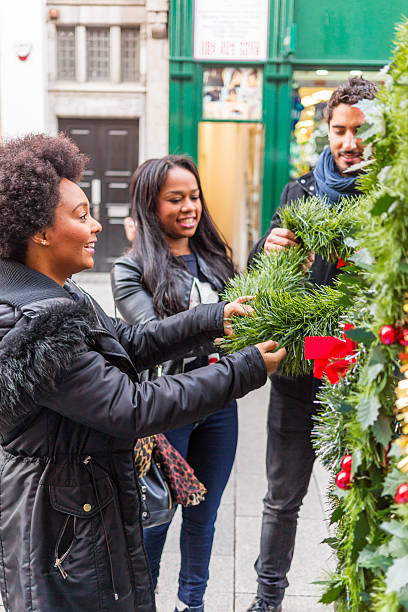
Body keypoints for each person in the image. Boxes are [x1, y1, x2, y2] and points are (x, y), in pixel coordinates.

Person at [0, 134, 287, 612]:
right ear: (40, 233)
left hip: (82, 505)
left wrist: (213, 318)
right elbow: (132, 407)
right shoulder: (35, 324)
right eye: (80, 215)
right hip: (61, 526)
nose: (96, 226)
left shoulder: (60, 295)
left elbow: (129, 342)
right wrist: (246, 368)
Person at [246, 77, 378, 612]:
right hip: (300, 372)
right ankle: (266, 599)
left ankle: (358, 597)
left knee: (359, 493)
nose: (348, 142)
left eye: (360, 131)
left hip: (361, 374)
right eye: (339, 130)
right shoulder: (298, 192)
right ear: (326, 130)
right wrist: (270, 245)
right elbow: (260, 276)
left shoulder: (390, 199)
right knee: (282, 498)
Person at [111, 155, 240, 612]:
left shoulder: (215, 260)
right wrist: (217, 320)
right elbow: (151, 336)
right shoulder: (129, 270)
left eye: (195, 196)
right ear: (150, 204)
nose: (190, 207)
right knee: (156, 518)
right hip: (167, 407)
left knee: (204, 518)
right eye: (175, 199)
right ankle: (144, 603)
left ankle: (193, 603)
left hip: (222, 403)